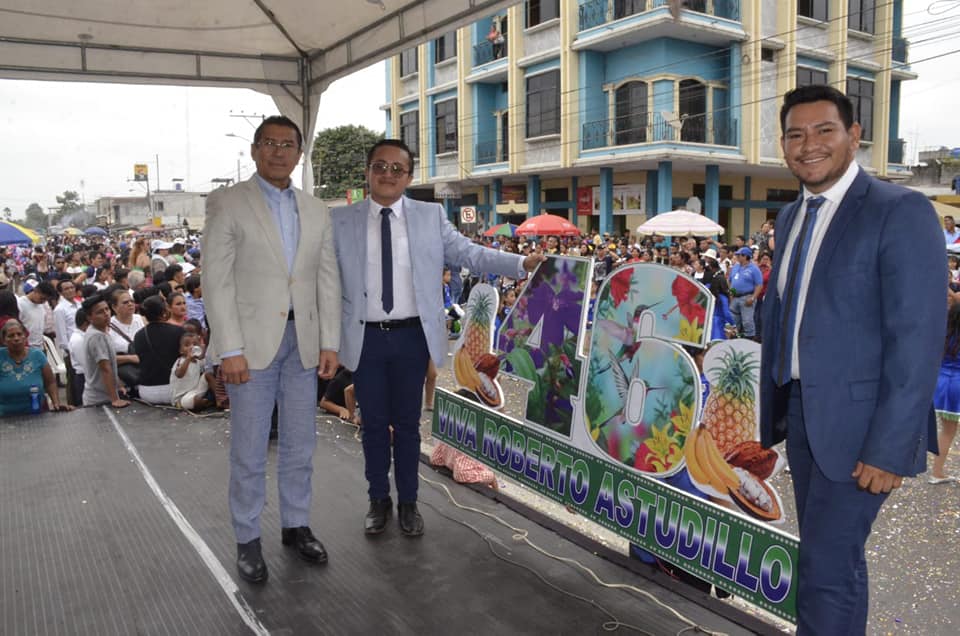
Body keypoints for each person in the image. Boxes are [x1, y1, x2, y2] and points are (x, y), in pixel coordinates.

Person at [759, 84, 945, 634]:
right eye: (795, 134)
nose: (808, 145)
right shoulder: (790, 217)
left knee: (824, 568)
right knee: (831, 560)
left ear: (854, 136)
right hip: (802, 414)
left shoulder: (900, 210)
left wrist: (889, 448)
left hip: (863, 428)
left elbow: (917, 339)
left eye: (825, 130)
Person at [332, 138, 544, 537]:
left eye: (398, 168)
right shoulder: (341, 221)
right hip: (365, 339)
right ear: (368, 171)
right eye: (380, 166)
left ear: (409, 176)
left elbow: (470, 253)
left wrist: (520, 263)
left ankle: (409, 502)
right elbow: (325, 280)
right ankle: (378, 499)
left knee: (408, 425)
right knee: (373, 425)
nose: (388, 174)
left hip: (412, 337)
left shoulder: (430, 216)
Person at [203, 115, 340, 583]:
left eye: (287, 145)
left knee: (301, 444)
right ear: (254, 150)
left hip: (304, 343)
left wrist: (330, 341)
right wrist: (229, 349)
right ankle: (247, 538)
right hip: (250, 348)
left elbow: (327, 278)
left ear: (300, 154)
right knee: (249, 449)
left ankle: (296, 525)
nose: (279, 152)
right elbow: (216, 281)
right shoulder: (228, 202)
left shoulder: (317, 209)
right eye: (269, 143)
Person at [0, 319, 72, 415]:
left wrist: (56, 403)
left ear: (25, 337)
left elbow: (50, 382)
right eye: (11, 336)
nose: (16, 338)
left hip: (37, 415)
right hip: (5, 417)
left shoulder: (37, 355)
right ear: (4, 340)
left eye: (19, 334)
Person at [132, 295, 183, 405]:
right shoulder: (179, 331)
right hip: (175, 391)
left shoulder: (138, 335)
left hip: (146, 392)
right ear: (164, 312)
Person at [81, 294, 129, 408]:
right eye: (100, 312)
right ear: (89, 317)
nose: (106, 314)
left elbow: (111, 364)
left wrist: (118, 385)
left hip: (105, 396)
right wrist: (115, 399)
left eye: (107, 309)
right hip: (99, 400)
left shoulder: (102, 331)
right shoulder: (97, 336)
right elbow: (105, 368)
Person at [931, 302, 960, 483]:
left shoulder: (944, 333)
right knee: (949, 431)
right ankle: (937, 473)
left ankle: (937, 472)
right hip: (957, 383)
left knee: (947, 431)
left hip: (941, 382)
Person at [170, 331, 215, 411]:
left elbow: (204, 359)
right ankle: (206, 401)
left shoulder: (197, 361)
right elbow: (179, 374)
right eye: (187, 345)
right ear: (181, 350)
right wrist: (188, 358)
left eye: (195, 344)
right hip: (182, 398)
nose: (192, 347)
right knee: (196, 401)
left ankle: (219, 398)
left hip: (195, 390)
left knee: (208, 374)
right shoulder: (180, 361)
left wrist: (203, 348)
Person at [727, 246, 762, 339]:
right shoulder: (735, 267)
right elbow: (730, 281)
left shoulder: (754, 269)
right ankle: (736, 338)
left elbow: (759, 285)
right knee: (733, 320)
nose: (737, 257)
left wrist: (753, 298)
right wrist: (731, 293)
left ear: (745, 256)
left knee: (747, 321)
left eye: (739, 255)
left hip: (747, 296)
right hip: (735, 297)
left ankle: (749, 339)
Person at [17, 281, 55, 348]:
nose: (43, 301)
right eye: (42, 298)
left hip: (40, 346)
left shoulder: (42, 305)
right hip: (26, 347)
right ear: (35, 291)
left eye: (46, 300)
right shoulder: (20, 304)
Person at [68, 308, 88, 405]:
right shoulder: (78, 340)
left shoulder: (84, 336)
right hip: (83, 377)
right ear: (85, 324)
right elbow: (86, 363)